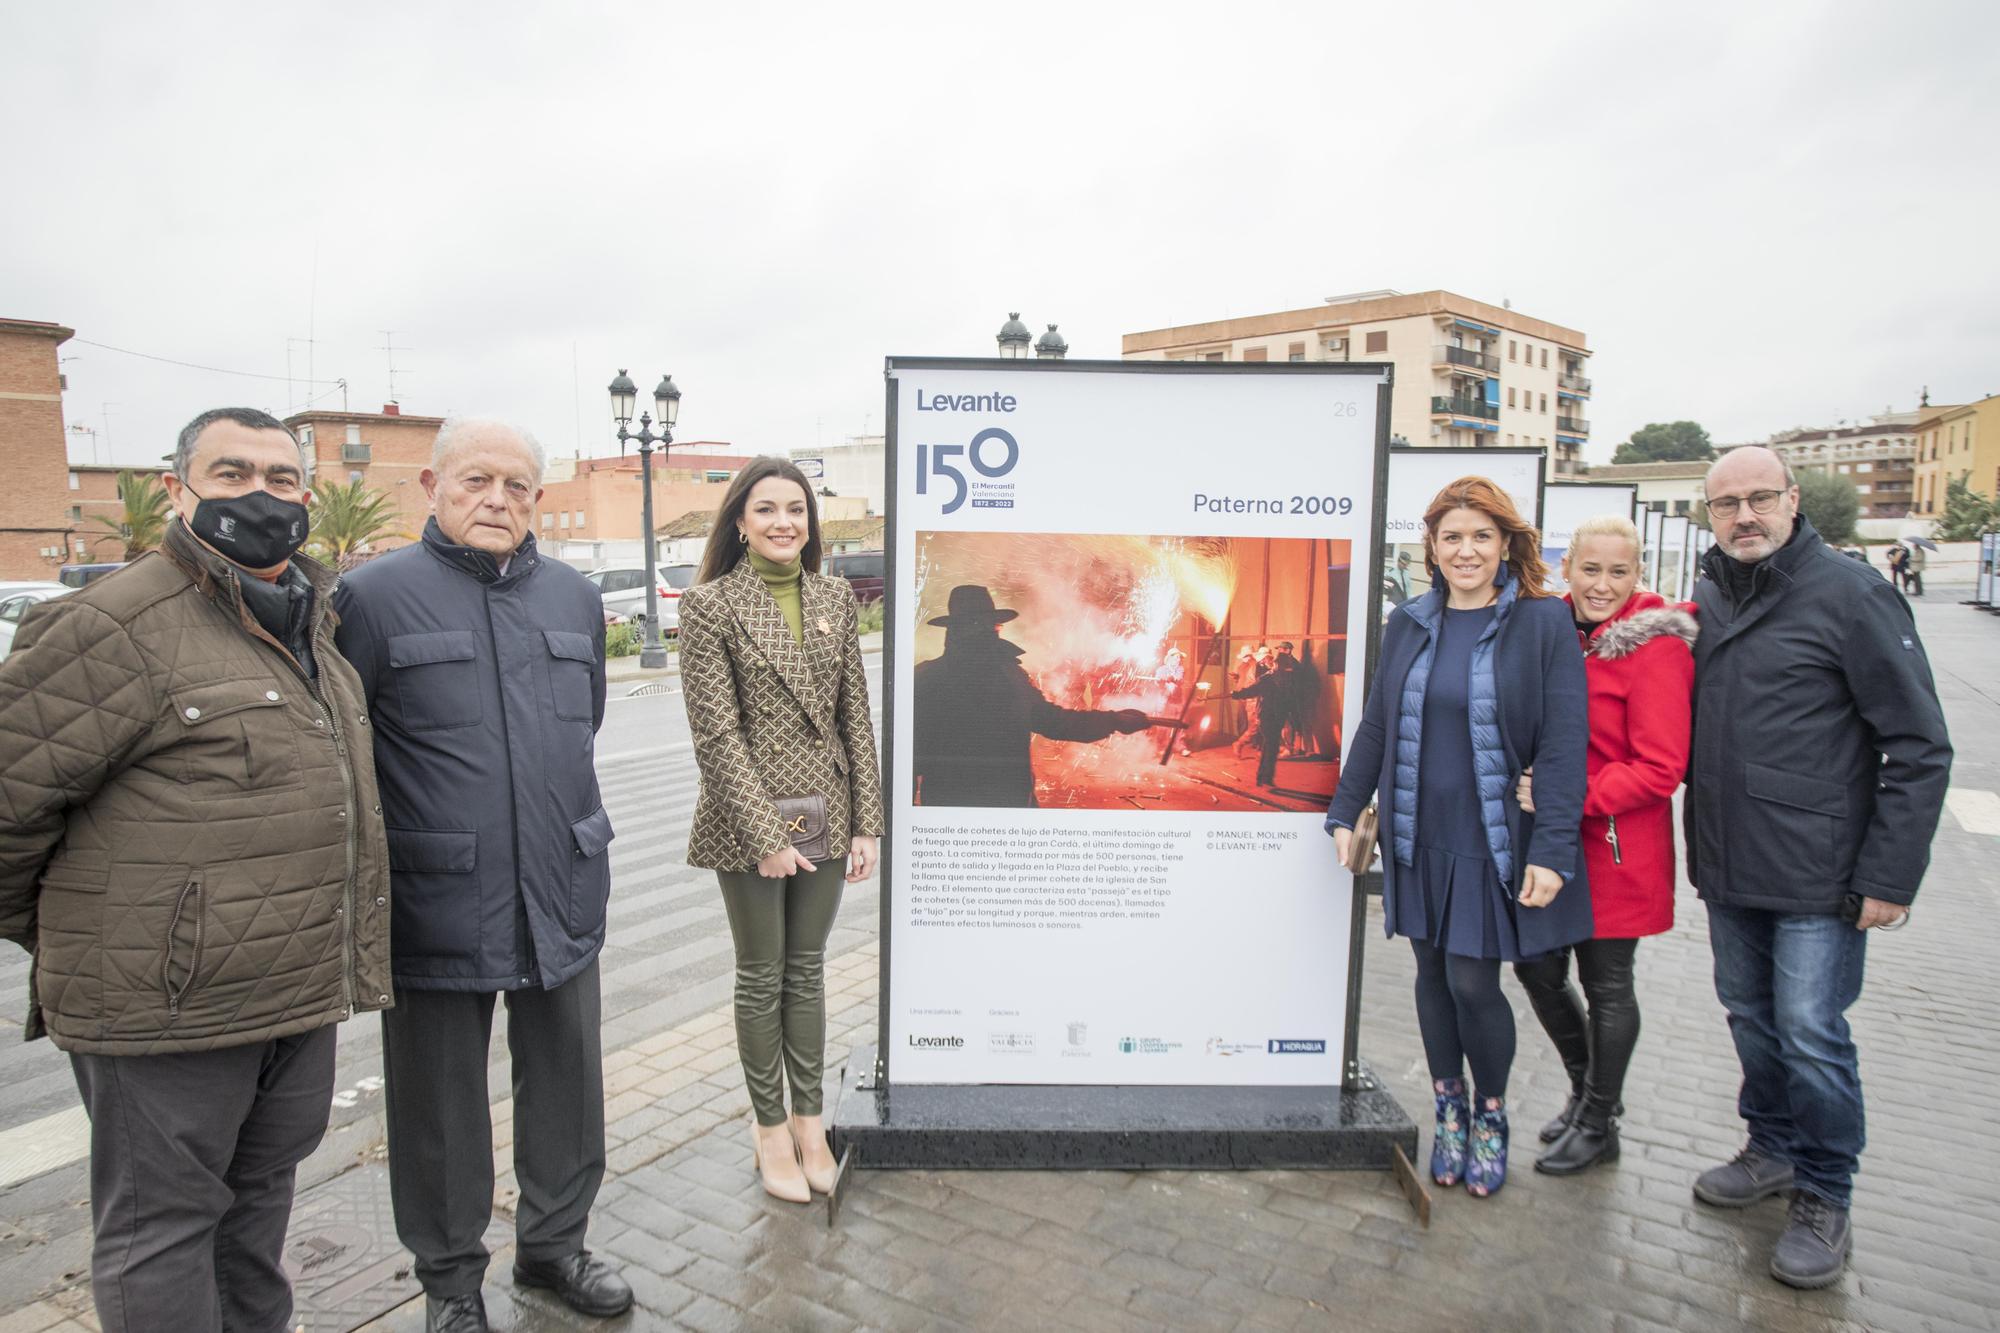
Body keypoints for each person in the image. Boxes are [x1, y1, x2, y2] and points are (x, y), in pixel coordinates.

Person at [0, 407, 390, 1333]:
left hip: (293, 996)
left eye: (283, 478)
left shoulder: (314, 622)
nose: (262, 495)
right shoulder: (109, 625)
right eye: (231, 473)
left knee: (256, 1216)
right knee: (162, 1234)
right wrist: (109, 937)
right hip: (164, 1014)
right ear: (179, 490)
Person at [334, 418, 630, 1332]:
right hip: (437, 903)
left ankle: (553, 1249)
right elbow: (349, 750)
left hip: (562, 888)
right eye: (476, 482)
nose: (497, 500)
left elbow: (584, 722)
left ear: (538, 499)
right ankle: (451, 1283)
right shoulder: (370, 600)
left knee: (570, 1087)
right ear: (432, 484)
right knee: (440, 1111)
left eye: (517, 486)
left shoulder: (576, 598)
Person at [1685, 447, 1951, 1289]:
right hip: (1730, 862)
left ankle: (1825, 1192)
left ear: (1794, 500)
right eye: (1725, 505)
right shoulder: (1714, 596)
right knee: (1750, 1017)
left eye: (1760, 498)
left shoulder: (1850, 593)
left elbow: (1918, 746)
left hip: (1820, 872)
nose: (1744, 516)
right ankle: (1771, 1148)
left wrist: (1890, 876)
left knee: (1812, 1033)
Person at [1325, 476, 1590, 1199]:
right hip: (1417, 830)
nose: (1466, 549)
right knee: (1432, 978)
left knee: (1475, 981)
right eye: (1452, 537)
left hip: (1492, 838)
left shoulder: (1543, 622)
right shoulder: (1409, 621)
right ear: (1432, 548)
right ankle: (1449, 1109)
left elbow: (1566, 744)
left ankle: (1490, 1116)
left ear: (1506, 543)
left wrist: (1553, 849)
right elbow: (1378, 723)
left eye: (1481, 535)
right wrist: (1345, 811)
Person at [676, 457, 885, 1204]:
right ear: (739, 521)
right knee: (762, 974)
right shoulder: (710, 607)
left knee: (808, 968)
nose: (783, 522)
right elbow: (716, 735)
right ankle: (769, 1128)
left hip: (827, 813)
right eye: (766, 509)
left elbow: (853, 716)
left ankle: (809, 1121)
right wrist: (765, 834)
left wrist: (869, 823)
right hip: (750, 821)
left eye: (795, 509)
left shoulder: (833, 595)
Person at [1513, 515, 1695, 1175]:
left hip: (1619, 845)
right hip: (1555, 840)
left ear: (1638, 574)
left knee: (1608, 983)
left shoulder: (1657, 647)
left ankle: (1597, 1118)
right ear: (1568, 567)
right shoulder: (1551, 630)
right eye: (1591, 568)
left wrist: (1569, 794)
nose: (1603, 584)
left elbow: (1661, 766)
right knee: (1535, 967)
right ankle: (1588, 1090)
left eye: (1619, 571)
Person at [910, 586, 1150, 806]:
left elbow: (1052, 720)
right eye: (980, 624)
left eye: (992, 625)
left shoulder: (1007, 675)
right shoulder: (930, 681)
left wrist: (1113, 720)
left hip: (1003, 806)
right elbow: (908, 759)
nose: (990, 631)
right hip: (960, 813)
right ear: (960, 629)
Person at [1230, 645, 1296, 787]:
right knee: (1270, 747)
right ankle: (1265, 778)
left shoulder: (1283, 679)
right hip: (1268, 716)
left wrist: (1238, 694)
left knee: (1269, 747)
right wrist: (1237, 694)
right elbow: (1253, 689)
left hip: (1277, 716)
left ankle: (1263, 778)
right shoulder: (1269, 678)